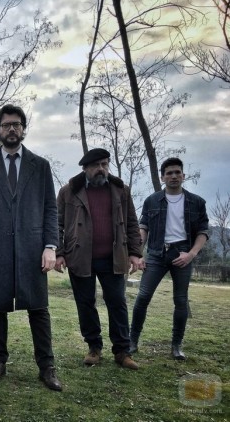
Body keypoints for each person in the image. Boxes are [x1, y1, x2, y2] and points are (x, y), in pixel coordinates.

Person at [0, 104, 62, 391]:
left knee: (39, 308)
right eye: (6, 124)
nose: (12, 129)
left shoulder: (40, 165)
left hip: (32, 249)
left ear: (23, 129)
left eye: (17, 124)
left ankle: (46, 366)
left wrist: (50, 246)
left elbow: (50, 208)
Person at [55, 148, 142, 370]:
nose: (101, 169)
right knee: (86, 304)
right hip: (79, 256)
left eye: (104, 164)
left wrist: (135, 253)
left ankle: (122, 351)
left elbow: (132, 222)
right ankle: (94, 347)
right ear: (85, 168)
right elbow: (57, 224)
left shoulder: (121, 190)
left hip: (113, 257)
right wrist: (59, 253)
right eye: (96, 165)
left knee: (117, 302)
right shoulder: (69, 191)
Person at [130, 157, 209, 361]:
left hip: (182, 254)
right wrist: (139, 253)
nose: (174, 176)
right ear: (162, 177)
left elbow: (203, 232)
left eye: (177, 172)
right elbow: (143, 228)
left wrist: (191, 254)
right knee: (143, 297)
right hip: (156, 254)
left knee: (180, 300)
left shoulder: (197, 202)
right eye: (169, 173)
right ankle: (132, 341)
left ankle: (176, 345)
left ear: (183, 175)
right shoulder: (151, 201)